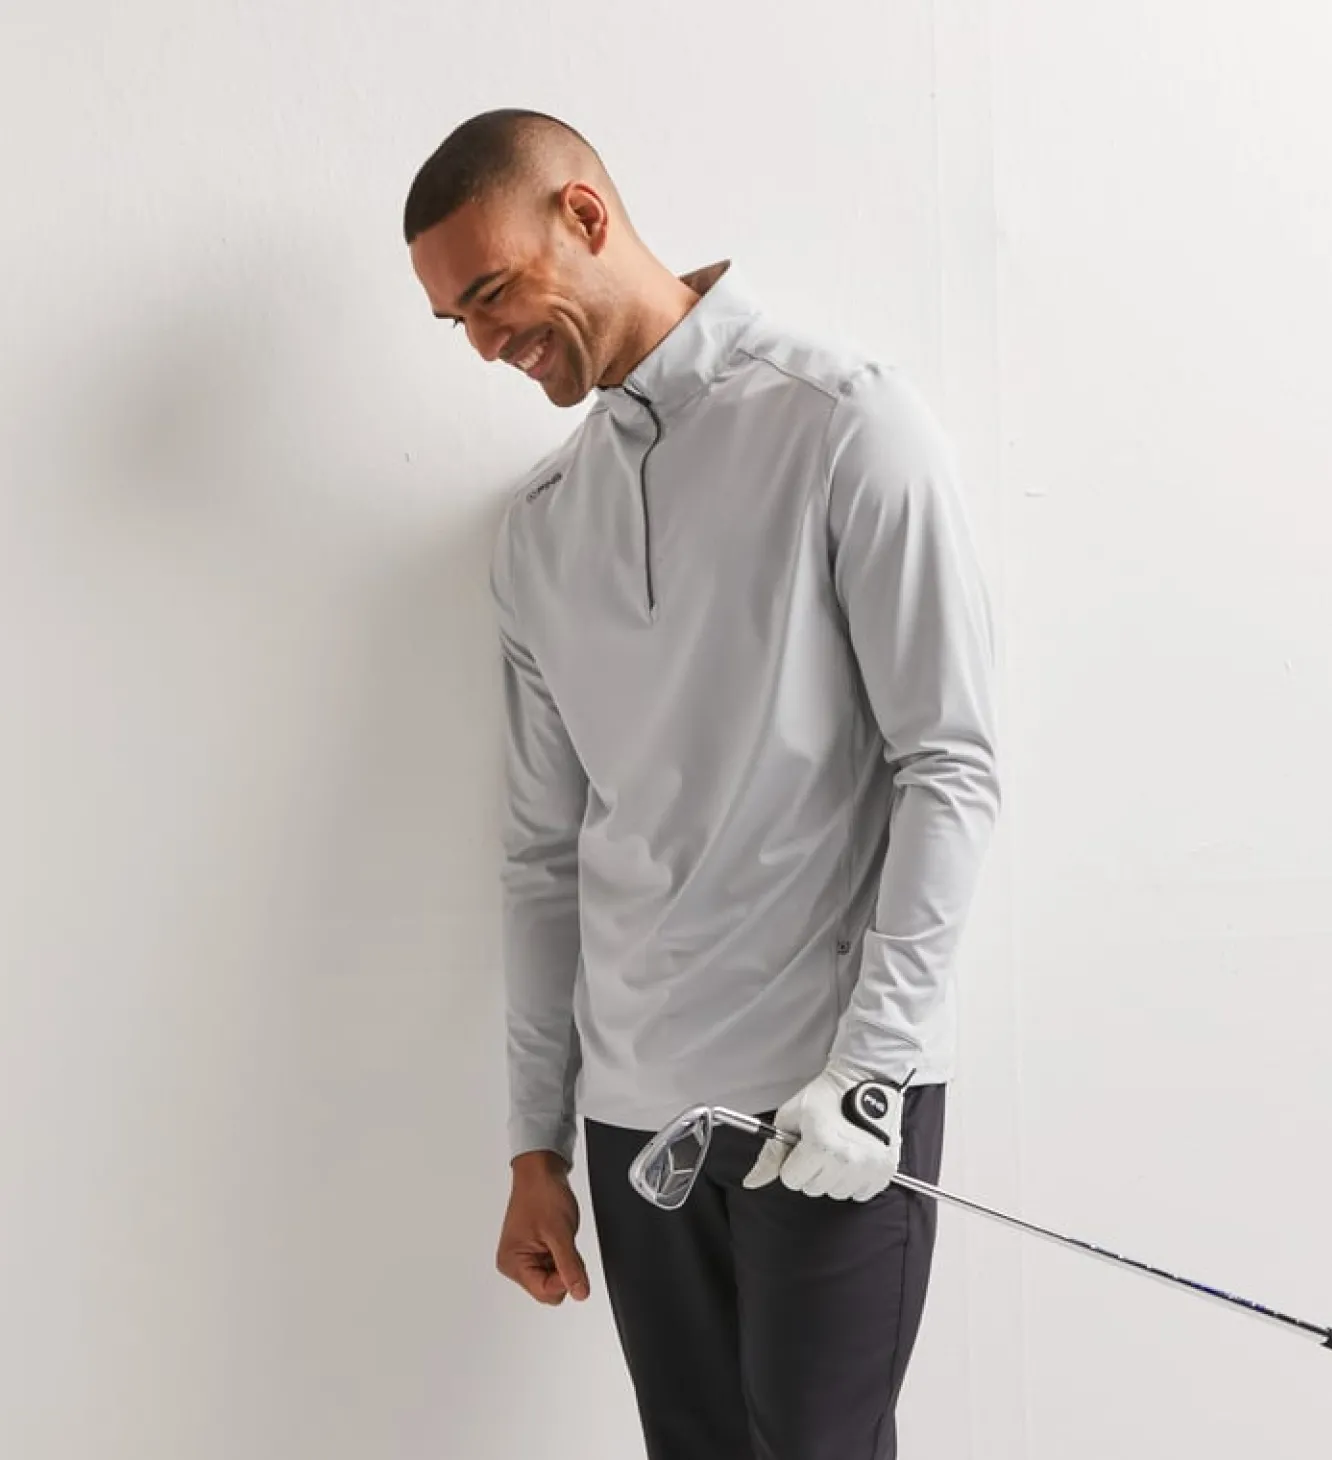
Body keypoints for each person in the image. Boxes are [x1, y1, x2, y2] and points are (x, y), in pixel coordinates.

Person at [403, 108, 1000, 1460]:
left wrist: (874, 1071)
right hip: (635, 1120)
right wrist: (536, 1144)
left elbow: (950, 763)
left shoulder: (847, 423)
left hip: (825, 1103)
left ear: (585, 216)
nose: (486, 344)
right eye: (457, 322)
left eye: (491, 292)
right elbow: (543, 856)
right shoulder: (540, 532)